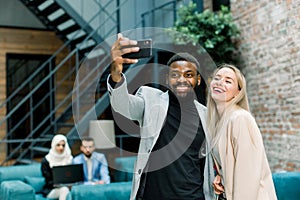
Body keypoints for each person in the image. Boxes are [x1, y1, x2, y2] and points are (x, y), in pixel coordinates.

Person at [107, 33, 214, 200]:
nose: (181, 80)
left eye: (188, 75)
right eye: (175, 75)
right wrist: (116, 72)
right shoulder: (150, 100)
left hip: (193, 196)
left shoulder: (207, 116)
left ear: (198, 80)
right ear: (167, 78)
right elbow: (123, 106)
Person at [207, 64, 277, 200]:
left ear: (238, 92)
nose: (220, 83)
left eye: (228, 81)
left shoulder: (240, 119)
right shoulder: (220, 122)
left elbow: (248, 176)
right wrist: (222, 177)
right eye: (217, 78)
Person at [41, 134, 73, 200]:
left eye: (63, 145)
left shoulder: (69, 158)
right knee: (64, 190)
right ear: (53, 145)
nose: (61, 148)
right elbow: (48, 180)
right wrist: (60, 184)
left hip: (70, 187)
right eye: (58, 145)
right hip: (51, 189)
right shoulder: (47, 160)